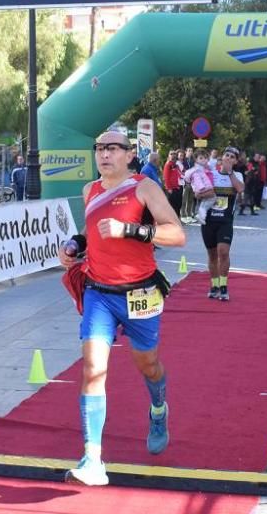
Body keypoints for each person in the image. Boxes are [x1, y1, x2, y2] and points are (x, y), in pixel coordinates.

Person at [58, 130, 186, 486]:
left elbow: (176, 234)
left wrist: (130, 230)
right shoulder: (90, 190)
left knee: (148, 364)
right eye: (99, 148)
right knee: (93, 369)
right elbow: (91, 232)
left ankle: (158, 408)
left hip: (140, 293)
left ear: (130, 154)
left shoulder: (145, 187)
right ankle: (93, 460)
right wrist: (73, 245)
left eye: (112, 148)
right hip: (99, 291)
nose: (104, 154)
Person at [198, 147, 245, 301]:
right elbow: (198, 194)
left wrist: (230, 172)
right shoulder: (211, 174)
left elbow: (240, 189)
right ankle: (214, 285)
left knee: (223, 252)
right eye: (227, 155)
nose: (229, 158)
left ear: (235, 161)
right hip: (209, 220)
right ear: (221, 158)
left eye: (232, 157)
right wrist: (208, 193)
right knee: (212, 255)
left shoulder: (237, 175)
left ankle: (224, 286)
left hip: (225, 221)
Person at [183, 149, 216, 223]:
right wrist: (201, 188)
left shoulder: (202, 168)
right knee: (212, 198)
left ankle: (201, 215)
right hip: (202, 188)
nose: (203, 160)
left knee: (207, 201)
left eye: (205, 158)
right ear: (196, 160)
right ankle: (200, 214)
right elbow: (197, 180)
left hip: (205, 187)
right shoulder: (196, 170)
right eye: (201, 158)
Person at [162, 150, 183, 216]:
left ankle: (177, 218)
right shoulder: (168, 164)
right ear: (168, 155)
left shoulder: (176, 165)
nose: (173, 155)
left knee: (178, 204)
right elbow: (166, 177)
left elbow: (180, 174)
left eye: (174, 154)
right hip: (171, 189)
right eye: (171, 154)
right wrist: (169, 188)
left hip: (177, 187)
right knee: (172, 205)